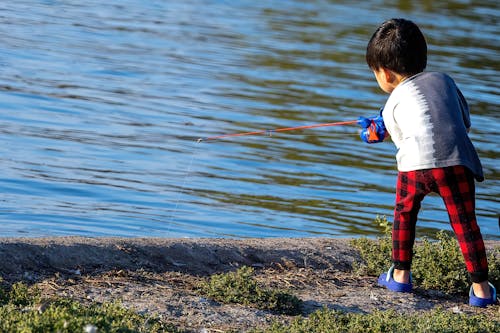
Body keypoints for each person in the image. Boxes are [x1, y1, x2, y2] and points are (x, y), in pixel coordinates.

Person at [358, 18, 496, 307]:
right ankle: (481, 291)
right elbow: (464, 122)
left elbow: (395, 136)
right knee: (465, 223)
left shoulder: (394, 99)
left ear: (384, 73)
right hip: (457, 159)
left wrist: (374, 132)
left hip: (416, 164)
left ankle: (400, 276)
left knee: (404, 214)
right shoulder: (445, 81)